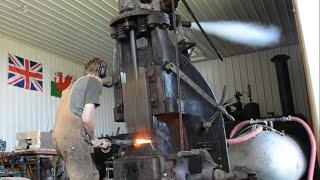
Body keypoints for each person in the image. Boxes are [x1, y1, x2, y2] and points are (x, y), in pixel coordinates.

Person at [52, 58, 111, 180]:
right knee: (87, 177)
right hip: (73, 139)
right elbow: (86, 118)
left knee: (90, 174)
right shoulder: (94, 82)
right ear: (102, 71)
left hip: (58, 138)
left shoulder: (71, 86)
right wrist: (94, 139)